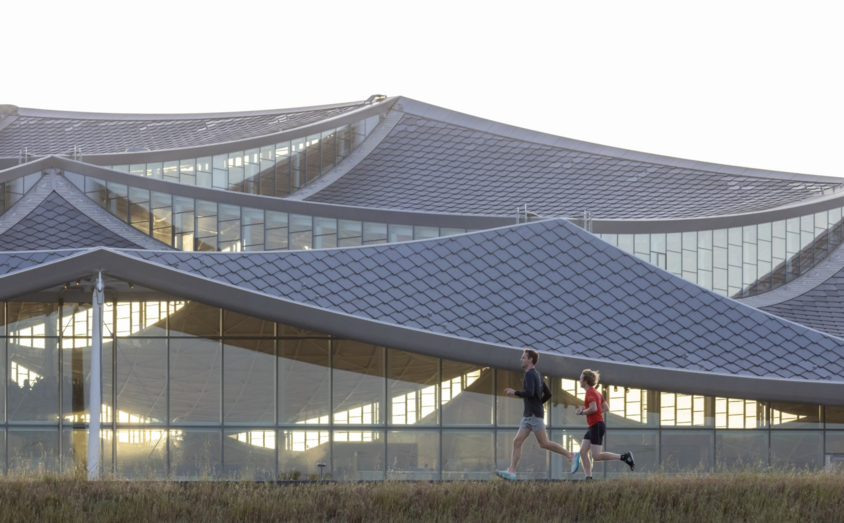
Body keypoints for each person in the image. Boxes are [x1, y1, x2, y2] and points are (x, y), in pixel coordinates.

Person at [495, 349, 579, 480]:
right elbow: (548, 394)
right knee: (517, 441)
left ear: (530, 360)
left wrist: (514, 392)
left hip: (533, 415)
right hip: (529, 414)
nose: (520, 359)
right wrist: (539, 404)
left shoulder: (530, 374)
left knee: (544, 443)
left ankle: (571, 455)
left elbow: (530, 392)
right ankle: (511, 470)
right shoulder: (538, 375)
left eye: (523, 357)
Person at [575, 369, 635, 480]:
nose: (579, 380)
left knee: (596, 456)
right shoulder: (596, 392)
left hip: (596, 425)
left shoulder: (590, 392)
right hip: (594, 425)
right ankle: (588, 478)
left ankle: (625, 457)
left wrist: (582, 412)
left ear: (586, 380)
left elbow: (593, 408)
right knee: (583, 452)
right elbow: (605, 408)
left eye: (580, 378)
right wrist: (593, 411)